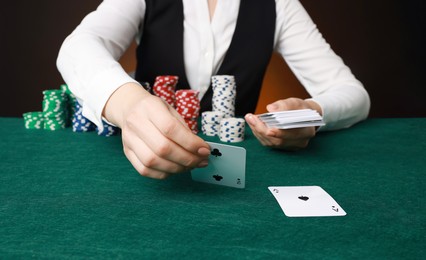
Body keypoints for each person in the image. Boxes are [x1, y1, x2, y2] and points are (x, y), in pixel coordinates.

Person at [57, 0, 370, 179]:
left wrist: (310, 113)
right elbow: (77, 48)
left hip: (242, 179)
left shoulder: (279, 5)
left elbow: (352, 94)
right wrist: (128, 103)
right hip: (138, 173)